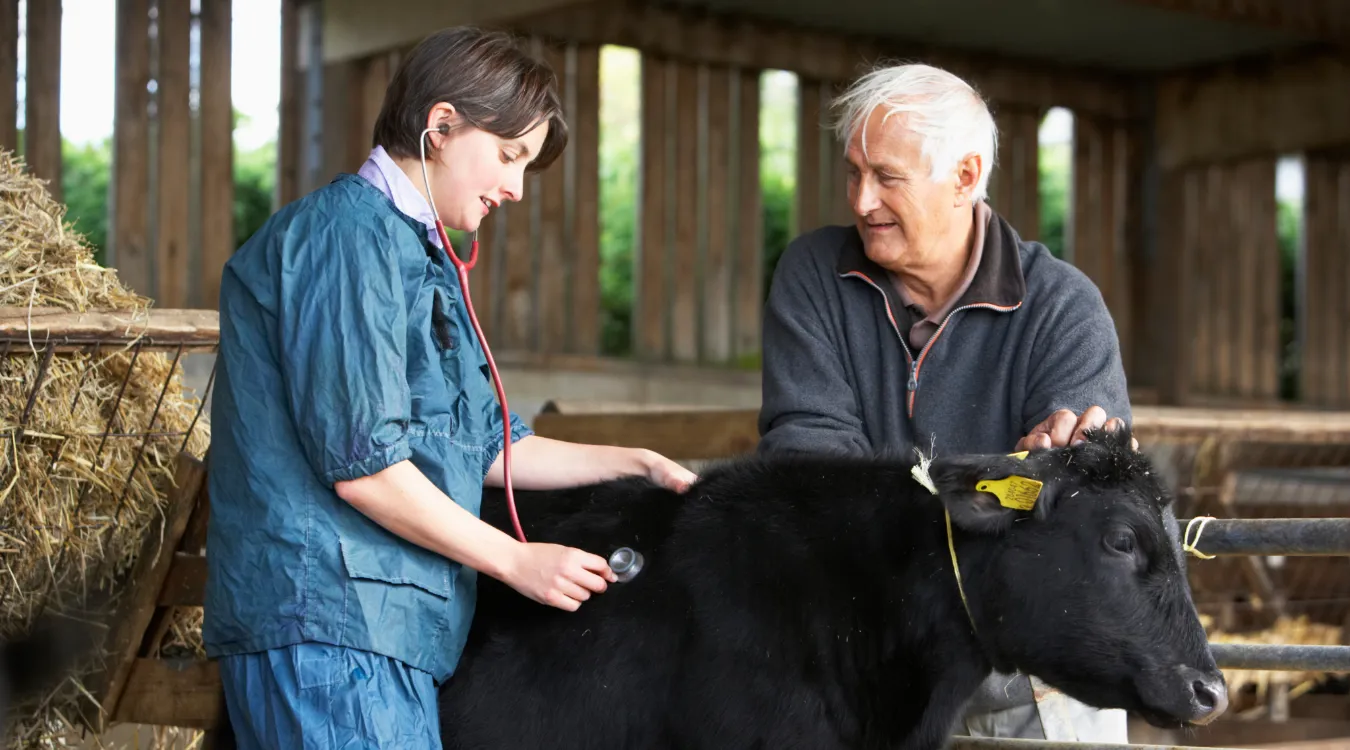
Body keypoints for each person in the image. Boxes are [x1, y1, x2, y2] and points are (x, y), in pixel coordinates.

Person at [203, 27, 696, 749]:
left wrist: (636, 460)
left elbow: (487, 444)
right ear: (440, 126)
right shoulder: (346, 238)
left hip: (381, 632)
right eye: (507, 155)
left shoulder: (415, 253)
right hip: (330, 628)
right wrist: (516, 559)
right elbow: (364, 470)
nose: (516, 188)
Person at [756, 62, 1134, 741]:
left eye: (887, 178)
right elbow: (808, 466)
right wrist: (1004, 483)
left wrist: (1050, 477)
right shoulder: (813, 276)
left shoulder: (1063, 308)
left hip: (1026, 656)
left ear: (964, 177)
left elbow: (1074, 501)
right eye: (853, 172)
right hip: (867, 638)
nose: (861, 200)